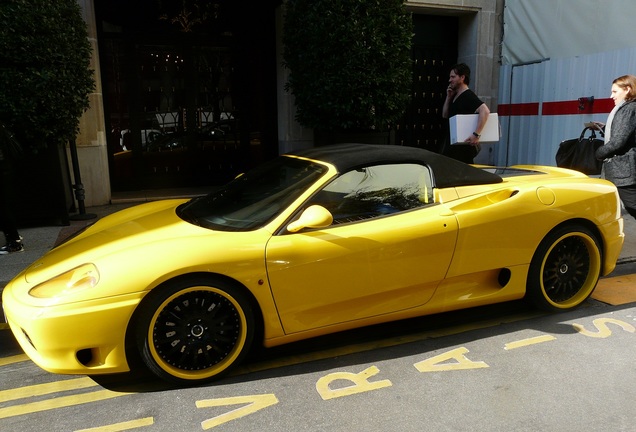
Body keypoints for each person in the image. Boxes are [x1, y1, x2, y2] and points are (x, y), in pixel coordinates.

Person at [594, 74, 636, 219]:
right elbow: (625, 133)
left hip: (623, 171)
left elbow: (619, 141)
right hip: (621, 170)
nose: (611, 96)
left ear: (628, 89)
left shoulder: (628, 109)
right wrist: (605, 128)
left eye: (614, 91)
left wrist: (599, 153)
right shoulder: (627, 108)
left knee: (632, 205)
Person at [441, 63, 490, 164]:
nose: (450, 80)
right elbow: (445, 115)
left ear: (462, 77)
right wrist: (449, 97)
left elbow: (485, 110)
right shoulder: (455, 96)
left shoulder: (468, 95)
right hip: (452, 148)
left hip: (462, 151)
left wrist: (476, 134)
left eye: (453, 77)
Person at [0, 123, 24, 254]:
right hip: (4, 168)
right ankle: (13, 237)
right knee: (3, 207)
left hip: (2, 169)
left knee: (3, 208)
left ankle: (14, 241)